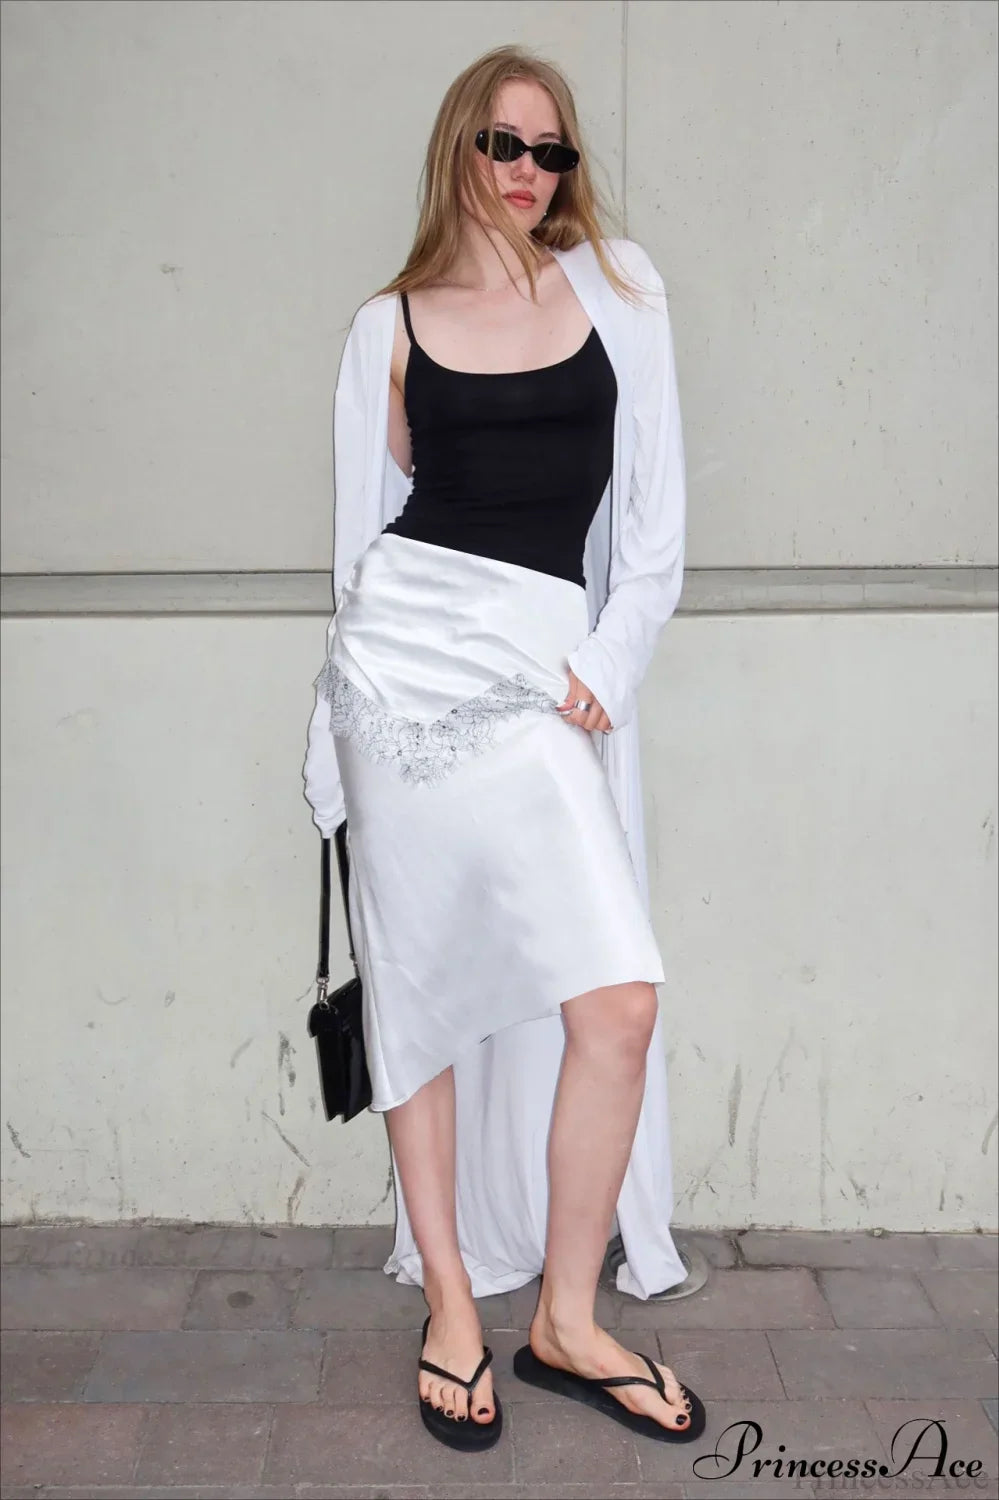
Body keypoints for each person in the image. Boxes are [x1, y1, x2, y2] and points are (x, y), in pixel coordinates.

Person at [303, 44, 705, 1452]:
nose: (528, 172)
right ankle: (455, 1308)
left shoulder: (622, 291)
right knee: (415, 999)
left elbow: (653, 527)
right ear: (457, 151)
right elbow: (357, 545)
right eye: (503, 144)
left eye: (552, 151)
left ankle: (567, 1320)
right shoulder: (387, 324)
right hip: (399, 677)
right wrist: (328, 739)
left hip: (538, 675)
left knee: (619, 1003)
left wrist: (608, 660)